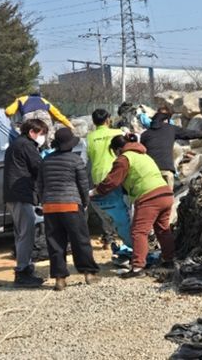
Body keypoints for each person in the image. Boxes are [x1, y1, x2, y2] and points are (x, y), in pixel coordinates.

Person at [91, 135, 175, 278]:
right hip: (165, 193)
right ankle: (169, 260)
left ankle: (137, 267)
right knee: (162, 229)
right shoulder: (144, 155)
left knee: (138, 232)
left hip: (149, 196)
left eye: (115, 152)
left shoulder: (124, 159)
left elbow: (112, 181)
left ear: (118, 149)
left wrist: (95, 191)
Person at [38, 128, 100, 291]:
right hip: (71, 205)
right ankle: (88, 273)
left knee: (55, 242)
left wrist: (44, 201)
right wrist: (84, 202)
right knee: (80, 240)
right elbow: (83, 184)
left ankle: (59, 279)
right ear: (71, 145)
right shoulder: (75, 160)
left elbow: (40, 185)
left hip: (50, 207)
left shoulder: (46, 161)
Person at [3, 118, 48, 287]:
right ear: (32, 132)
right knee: (26, 234)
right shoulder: (26, 146)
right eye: (42, 133)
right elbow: (39, 168)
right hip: (21, 195)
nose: (43, 137)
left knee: (21, 233)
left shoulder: (17, 144)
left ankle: (26, 267)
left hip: (14, 195)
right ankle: (22, 272)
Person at [86, 108, 131, 246]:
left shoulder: (90, 137)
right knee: (121, 209)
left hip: (98, 176)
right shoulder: (118, 133)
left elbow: (87, 157)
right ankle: (128, 241)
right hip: (116, 175)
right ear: (108, 120)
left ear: (94, 122)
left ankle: (109, 237)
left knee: (106, 209)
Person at [139, 110, 202, 190]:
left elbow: (141, 153)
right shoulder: (170, 128)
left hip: (150, 172)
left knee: (153, 195)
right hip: (166, 169)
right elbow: (187, 133)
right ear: (165, 120)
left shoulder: (144, 135)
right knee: (167, 196)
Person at [5, 87, 74, 144]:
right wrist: (70, 126)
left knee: (30, 140)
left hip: (29, 117)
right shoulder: (44, 100)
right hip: (44, 115)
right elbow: (58, 116)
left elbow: (8, 112)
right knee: (49, 139)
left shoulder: (21, 99)